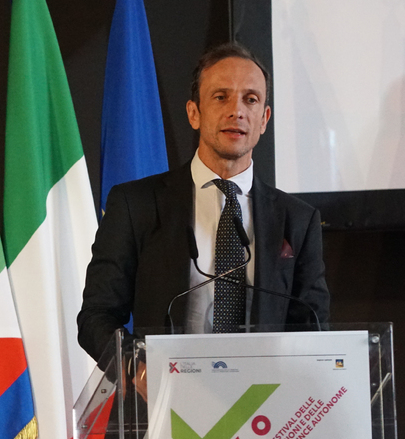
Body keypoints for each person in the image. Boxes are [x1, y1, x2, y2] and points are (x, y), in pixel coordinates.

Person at [78, 41, 331, 364]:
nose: (237, 111)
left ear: (264, 119)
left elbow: (313, 327)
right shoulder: (136, 205)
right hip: (166, 389)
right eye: (221, 96)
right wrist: (138, 372)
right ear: (194, 113)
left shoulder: (297, 220)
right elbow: (97, 315)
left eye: (251, 99)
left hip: (264, 392)